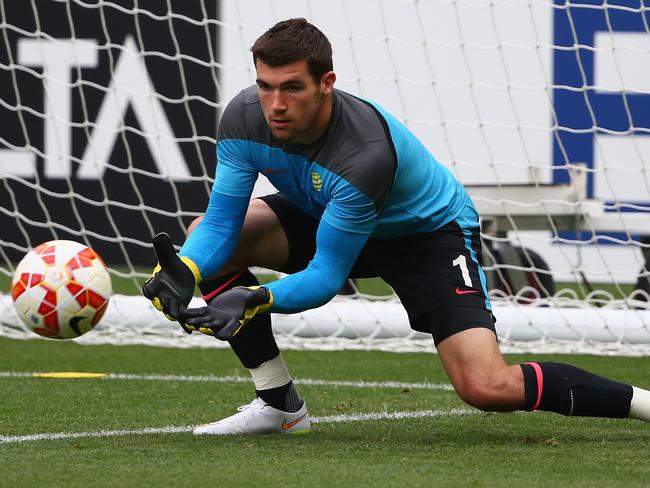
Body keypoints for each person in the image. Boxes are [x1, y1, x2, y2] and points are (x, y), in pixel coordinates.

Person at [142, 18, 650, 436]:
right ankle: (279, 405)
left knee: (486, 387)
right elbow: (223, 224)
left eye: (292, 88)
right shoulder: (243, 118)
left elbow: (325, 276)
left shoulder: (364, 154)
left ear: (326, 84)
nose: (276, 104)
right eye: (266, 86)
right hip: (330, 213)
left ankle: (643, 404)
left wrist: (259, 299)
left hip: (425, 235)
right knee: (205, 231)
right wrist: (184, 269)